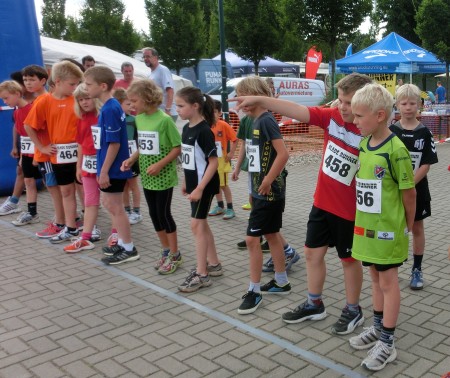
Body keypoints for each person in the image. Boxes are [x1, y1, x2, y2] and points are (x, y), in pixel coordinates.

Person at [230, 73, 373, 332]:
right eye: (340, 100)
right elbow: (297, 110)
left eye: (349, 102)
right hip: (322, 202)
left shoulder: (369, 130)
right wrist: (260, 98)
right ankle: (314, 303)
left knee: (348, 260)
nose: (342, 107)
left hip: (351, 211)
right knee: (311, 254)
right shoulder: (331, 118)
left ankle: (353, 309)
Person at [348, 83, 416, 371]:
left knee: (388, 282)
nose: (354, 121)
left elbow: (408, 193)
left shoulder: (396, 150)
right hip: (366, 230)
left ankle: (387, 343)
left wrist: (408, 226)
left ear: (379, 115)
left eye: (359, 116)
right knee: (375, 278)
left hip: (389, 231)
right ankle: (377, 328)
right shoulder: (364, 144)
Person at [232, 76, 290, 315]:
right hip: (259, 189)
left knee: (251, 241)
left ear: (254, 94)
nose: (239, 102)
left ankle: (253, 291)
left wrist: (267, 180)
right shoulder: (253, 121)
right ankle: (282, 280)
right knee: (272, 235)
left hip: (269, 190)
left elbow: (283, 154)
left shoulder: (266, 120)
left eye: (242, 96)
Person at [124, 79, 183, 274]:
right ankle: (165, 249)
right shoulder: (139, 119)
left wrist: (159, 164)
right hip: (147, 175)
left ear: (147, 99)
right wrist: (132, 159)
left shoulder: (165, 120)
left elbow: (177, 147)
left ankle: (175, 254)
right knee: (153, 214)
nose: (131, 105)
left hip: (163, 176)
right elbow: (144, 145)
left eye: (134, 101)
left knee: (164, 214)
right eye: (129, 102)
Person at [84, 66, 139, 265]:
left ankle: (129, 248)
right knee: (110, 204)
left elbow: (114, 143)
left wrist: (105, 171)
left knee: (115, 206)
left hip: (114, 168)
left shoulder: (111, 108)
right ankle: (123, 243)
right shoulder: (109, 107)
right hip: (108, 165)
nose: (86, 88)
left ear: (103, 86)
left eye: (89, 85)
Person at [24, 61, 82, 243]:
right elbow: (28, 125)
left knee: (79, 187)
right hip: (56, 155)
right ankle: (66, 224)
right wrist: (40, 148)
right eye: (72, 84)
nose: (75, 88)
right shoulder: (44, 101)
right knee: (62, 190)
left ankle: (77, 223)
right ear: (57, 81)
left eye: (77, 84)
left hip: (77, 154)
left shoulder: (77, 100)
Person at [389, 84, 438, 289]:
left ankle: (417, 269)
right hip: (393, 190)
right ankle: (391, 266)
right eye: (404, 103)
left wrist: (409, 184)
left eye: (412, 103)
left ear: (419, 105)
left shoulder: (425, 133)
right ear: (397, 105)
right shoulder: (391, 131)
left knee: (417, 227)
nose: (408, 107)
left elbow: (426, 164)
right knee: (393, 227)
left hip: (417, 191)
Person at [176, 87, 222, 292]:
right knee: (200, 224)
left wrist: (200, 188)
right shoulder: (186, 128)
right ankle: (213, 264)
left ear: (195, 106)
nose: (177, 109)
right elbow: (191, 160)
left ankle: (202, 274)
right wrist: (187, 182)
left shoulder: (204, 131)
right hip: (195, 185)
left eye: (181, 106)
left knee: (196, 225)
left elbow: (213, 162)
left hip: (205, 186)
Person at [63, 83, 103, 253]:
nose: (84, 103)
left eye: (87, 98)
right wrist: (78, 167)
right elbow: (80, 143)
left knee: (112, 202)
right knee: (90, 200)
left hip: (104, 163)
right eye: (80, 100)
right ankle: (85, 237)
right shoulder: (81, 118)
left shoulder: (103, 116)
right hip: (88, 164)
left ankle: (117, 233)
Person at [0, 80, 41, 224]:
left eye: (6, 98)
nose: (5, 102)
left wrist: (38, 154)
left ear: (17, 94)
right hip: (28, 152)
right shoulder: (17, 112)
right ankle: (32, 212)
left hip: (39, 152)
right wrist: (23, 156)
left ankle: (64, 216)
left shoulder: (31, 109)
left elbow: (38, 134)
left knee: (52, 185)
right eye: (3, 99)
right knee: (28, 180)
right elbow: (23, 137)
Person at [112, 88, 142, 225]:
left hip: (133, 157)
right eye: (127, 104)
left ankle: (136, 211)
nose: (131, 107)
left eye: (132, 104)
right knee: (123, 186)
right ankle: (127, 210)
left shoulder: (135, 120)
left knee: (133, 184)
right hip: (120, 158)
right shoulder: (115, 119)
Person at [208, 100, 238, 220]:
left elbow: (235, 139)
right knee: (215, 185)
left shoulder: (223, 125)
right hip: (210, 161)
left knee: (224, 185)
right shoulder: (205, 125)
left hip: (222, 161)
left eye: (214, 111)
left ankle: (230, 208)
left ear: (219, 113)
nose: (211, 114)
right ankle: (220, 206)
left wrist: (231, 153)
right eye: (209, 111)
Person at [142, 47, 177, 121]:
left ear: (156, 57)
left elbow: (170, 91)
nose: (145, 59)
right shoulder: (150, 74)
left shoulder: (163, 70)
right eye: (144, 57)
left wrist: (168, 110)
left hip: (166, 113)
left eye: (148, 56)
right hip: (158, 112)